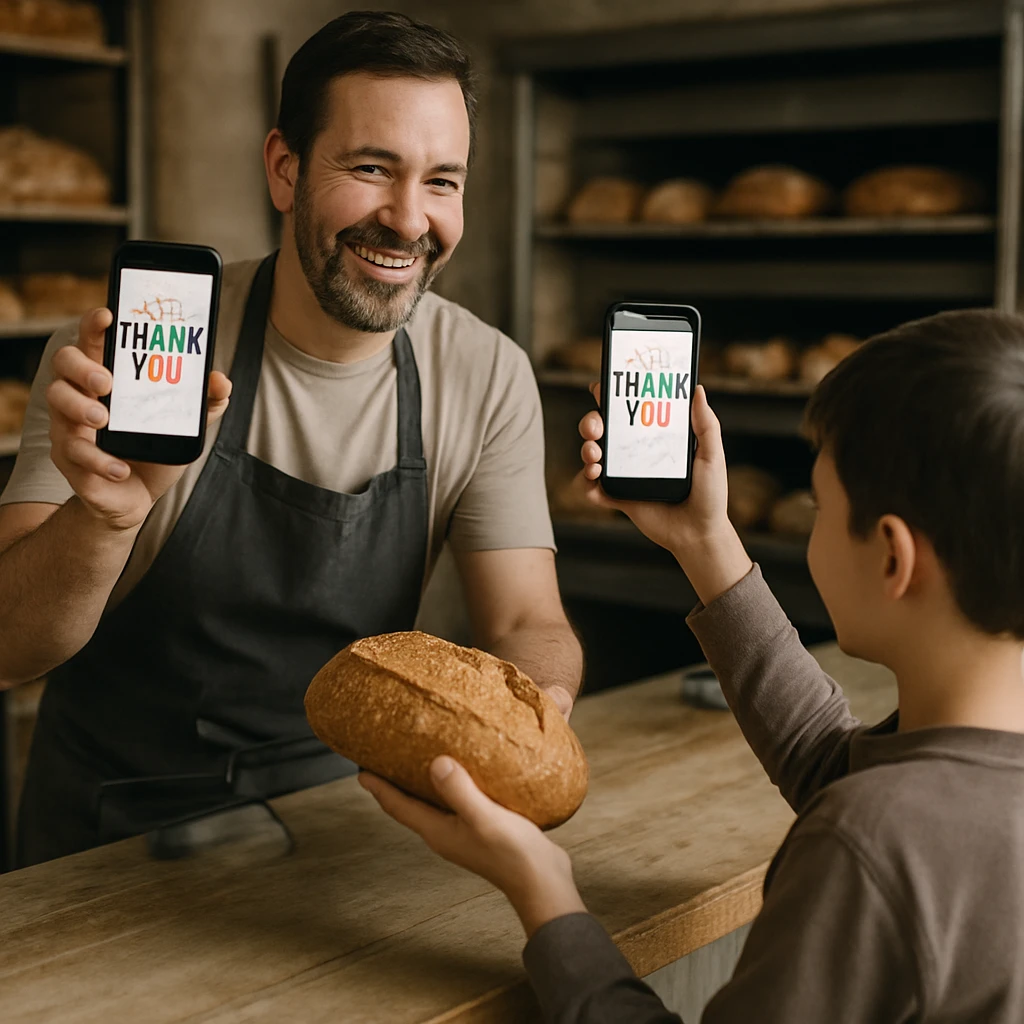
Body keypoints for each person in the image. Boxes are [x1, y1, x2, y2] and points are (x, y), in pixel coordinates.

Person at [0, 11, 582, 867]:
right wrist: (105, 520)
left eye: (442, 181)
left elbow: (529, 618)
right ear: (285, 168)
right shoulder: (129, 355)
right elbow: (8, 648)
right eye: (372, 168)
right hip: (112, 840)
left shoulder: (486, 372)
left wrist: (535, 713)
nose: (409, 219)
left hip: (347, 830)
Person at [362, 309, 1024, 1022]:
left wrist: (544, 894)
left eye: (820, 504)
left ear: (893, 557)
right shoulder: (940, 795)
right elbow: (834, 764)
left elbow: (866, 811)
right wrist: (706, 542)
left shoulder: (869, 841)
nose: (812, 520)